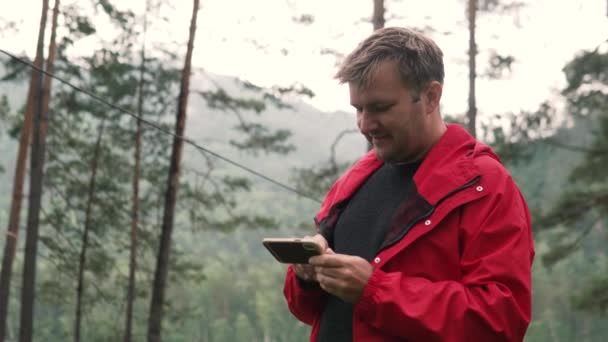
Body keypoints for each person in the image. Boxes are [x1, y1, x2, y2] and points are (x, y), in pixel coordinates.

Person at [282, 27, 535, 342]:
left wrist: (375, 291)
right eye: (358, 109)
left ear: (431, 97)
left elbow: (500, 322)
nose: (364, 124)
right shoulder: (356, 178)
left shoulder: (485, 186)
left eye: (380, 107)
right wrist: (306, 276)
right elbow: (311, 310)